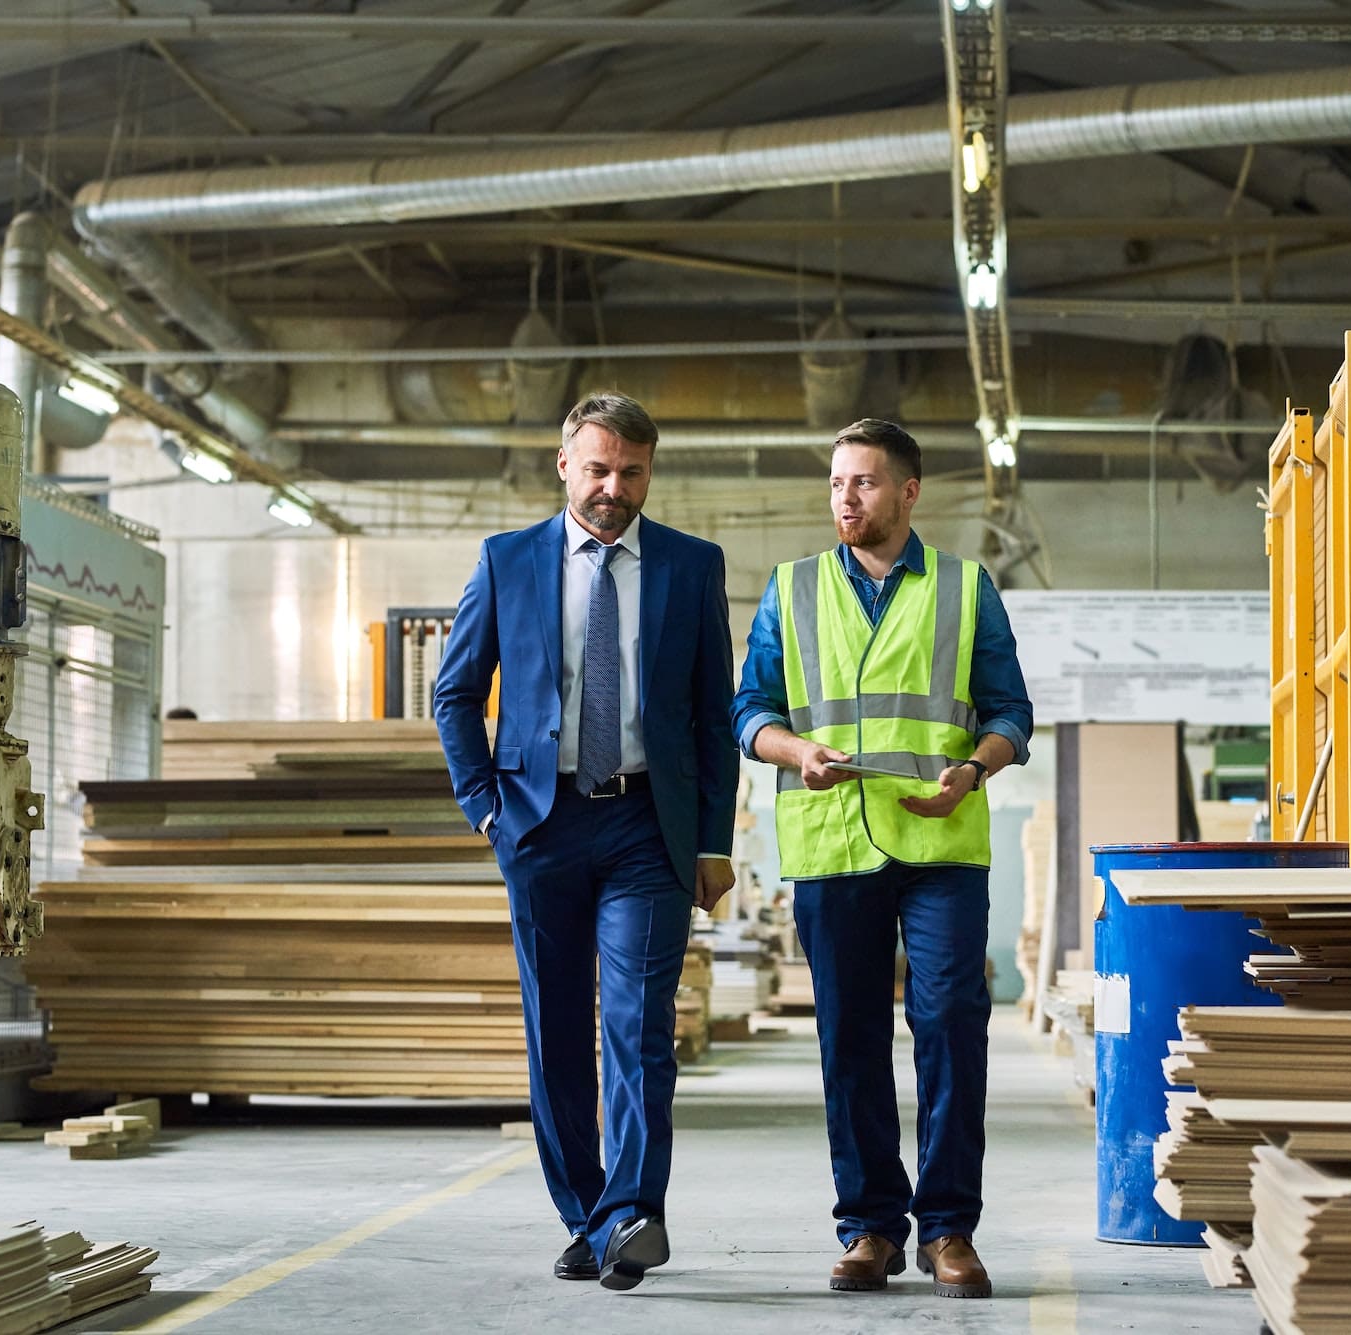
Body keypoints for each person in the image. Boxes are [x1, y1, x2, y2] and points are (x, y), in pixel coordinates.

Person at [434, 391, 738, 1292]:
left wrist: (713, 840)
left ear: (650, 471)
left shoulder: (690, 566)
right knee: (555, 1027)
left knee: (640, 1025)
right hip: (541, 822)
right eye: (599, 469)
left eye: (632, 472)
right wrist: (486, 807)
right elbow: (455, 695)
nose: (614, 487)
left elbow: (713, 718)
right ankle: (586, 1213)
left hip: (650, 826)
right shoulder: (506, 562)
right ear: (564, 463)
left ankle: (634, 1213)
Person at [732, 418, 1032, 1300]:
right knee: (850, 1038)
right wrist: (797, 754)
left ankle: (947, 1229)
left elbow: (1011, 713)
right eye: (836, 483)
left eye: (864, 483)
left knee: (948, 1023)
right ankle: (868, 1225)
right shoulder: (789, 590)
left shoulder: (967, 587)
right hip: (832, 841)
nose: (845, 499)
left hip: (940, 837)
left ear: (908, 493)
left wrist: (975, 768)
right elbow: (750, 709)